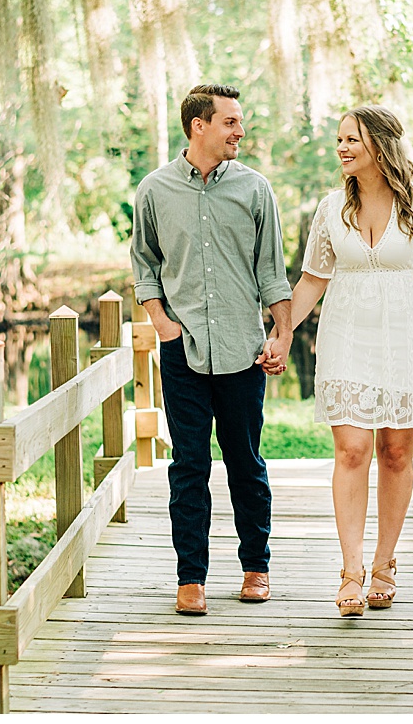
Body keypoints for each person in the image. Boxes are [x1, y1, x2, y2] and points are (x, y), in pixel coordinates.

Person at [262, 104, 413, 617]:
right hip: (347, 335)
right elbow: (313, 279)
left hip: (406, 338)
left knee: (397, 451)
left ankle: (384, 564)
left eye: (352, 139)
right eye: (339, 140)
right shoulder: (332, 208)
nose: (342, 148)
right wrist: (283, 333)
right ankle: (350, 571)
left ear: (381, 144)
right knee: (352, 449)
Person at [130, 84, 294, 616]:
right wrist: (162, 324)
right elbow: (145, 264)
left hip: (244, 350)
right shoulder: (154, 190)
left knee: (246, 462)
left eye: (239, 122)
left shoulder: (254, 189)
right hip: (183, 350)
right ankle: (190, 579)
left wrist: (281, 333)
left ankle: (256, 568)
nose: (239, 131)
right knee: (189, 464)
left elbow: (272, 271)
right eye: (230, 122)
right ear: (198, 125)